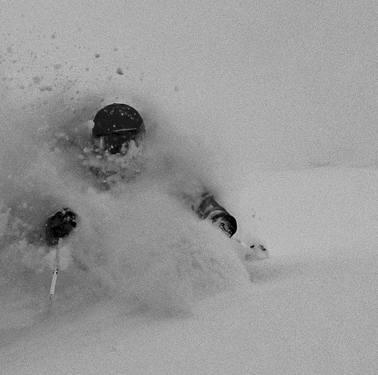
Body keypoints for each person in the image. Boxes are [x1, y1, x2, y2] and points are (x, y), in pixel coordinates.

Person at [40, 102, 264, 258]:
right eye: (111, 145)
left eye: (127, 142)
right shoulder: (81, 174)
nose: (119, 154)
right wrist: (57, 225)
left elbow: (199, 197)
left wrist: (217, 217)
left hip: (158, 259)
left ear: (141, 141)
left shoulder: (162, 170)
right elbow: (60, 204)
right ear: (97, 144)